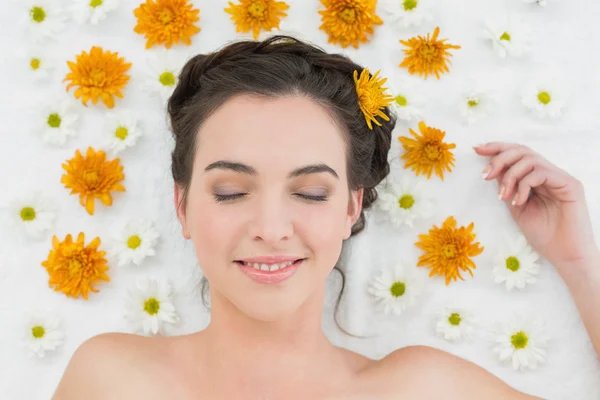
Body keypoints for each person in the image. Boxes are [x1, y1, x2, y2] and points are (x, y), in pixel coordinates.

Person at [51, 36, 599, 400]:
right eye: (231, 191)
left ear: (352, 207)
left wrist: (580, 265)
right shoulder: (112, 379)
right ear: (182, 205)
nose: (271, 226)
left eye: (311, 192)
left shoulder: (419, 389)